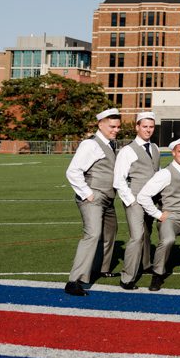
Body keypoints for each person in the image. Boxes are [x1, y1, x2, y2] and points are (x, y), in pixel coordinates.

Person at [64, 108, 121, 296]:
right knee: (93, 235)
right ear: (100, 124)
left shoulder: (110, 144)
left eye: (118, 127)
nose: (116, 130)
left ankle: (101, 268)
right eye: (112, 126)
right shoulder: (90, 145)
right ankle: (74, 281)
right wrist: (88, 194)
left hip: (108, 199)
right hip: (94, 198)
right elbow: (73, 171)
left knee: (110, 231)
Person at [138, 137, 180, 292]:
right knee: (168, 240)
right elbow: (143, 196)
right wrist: (158, 214)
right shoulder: (165, 173)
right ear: (173, 153)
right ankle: (157, 274)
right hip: (171, 219)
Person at [113, 111, 160, 290]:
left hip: (151, 200)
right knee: (137, 236)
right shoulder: (127, 150)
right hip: (135, 200)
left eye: (151, 127)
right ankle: (127, 278)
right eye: (144, 126)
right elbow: (119, 179)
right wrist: (131, 201)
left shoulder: (154, 148)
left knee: (147, 233)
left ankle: (145, 264)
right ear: (137, 127)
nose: (148, 130)